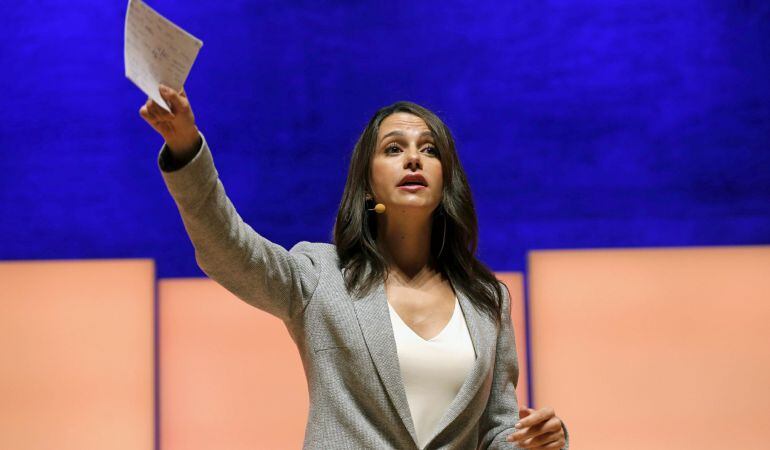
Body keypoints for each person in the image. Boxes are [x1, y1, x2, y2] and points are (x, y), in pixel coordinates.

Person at [139, 84, 570, 450]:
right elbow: (227, 249)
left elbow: (497, 432)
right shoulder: (319, 277)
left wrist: (542, 441)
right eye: (394, 148)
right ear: (367, 185)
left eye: (429, 150)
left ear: (445, 182)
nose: (413, 159)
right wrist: (185, 148)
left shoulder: (487, 299)